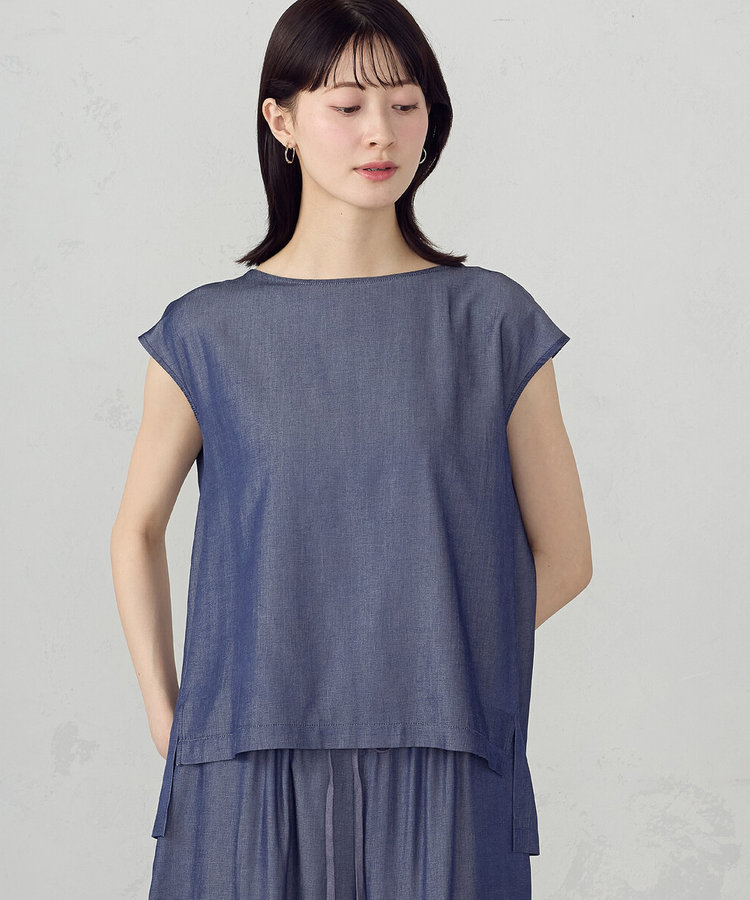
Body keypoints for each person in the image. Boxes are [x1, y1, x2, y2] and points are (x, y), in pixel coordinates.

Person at [110, 1, 592, 897]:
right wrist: (167, 712)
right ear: (282, 121)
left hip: (442, 748)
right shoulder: (207, 333)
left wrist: (417, 649)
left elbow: (566, 558)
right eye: (348, 105)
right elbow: (136, 530)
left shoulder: (489, 323)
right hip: (244, 747)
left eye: (406, 105)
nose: (382, 133)